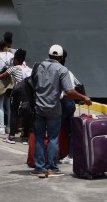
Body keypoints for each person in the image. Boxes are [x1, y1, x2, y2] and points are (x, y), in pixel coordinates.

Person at [29, 44, 91, 178]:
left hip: (39, 107)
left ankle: (39, 168)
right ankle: (52, 168)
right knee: (53, 138)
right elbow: (69, 91)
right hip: (53, 108)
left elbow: (32, 83)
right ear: (61, 57)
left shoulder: (38, 66)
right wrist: (84, 97)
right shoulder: (62, 70)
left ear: (49, 55)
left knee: (39, 137)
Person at [57, 47, 82, 163]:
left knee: (55, 130)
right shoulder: (69, 72)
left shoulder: (57, 71)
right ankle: (71, 156)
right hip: (71, 102)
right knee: (71, 131)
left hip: (62, 102)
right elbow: (79, 85)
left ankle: (55, 155)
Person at [5, 49, 32, 144]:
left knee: (14, 112)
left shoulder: (14, 68)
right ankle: (25, 137)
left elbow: (1, 76)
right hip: (27, 92)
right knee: (27, 113)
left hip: (17, 90)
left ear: (15, 59)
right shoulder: (28, 69)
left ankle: (11, 136)